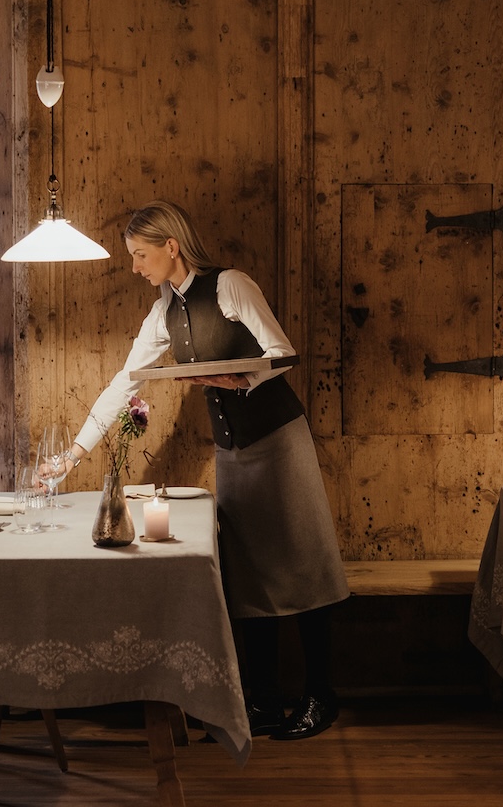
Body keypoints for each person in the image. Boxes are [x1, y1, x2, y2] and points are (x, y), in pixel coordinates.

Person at [60, 200, 349, 740]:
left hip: (279, 441)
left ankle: (320, 697)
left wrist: (238, 382)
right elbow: (128, 380)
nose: (134, 267)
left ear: (171, 247)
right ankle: (262, 702)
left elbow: (281, 353)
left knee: (306, 567)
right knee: (249, 578)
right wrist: (75, 453)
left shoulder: (231, 284)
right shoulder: (163, 310)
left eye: (140, 255)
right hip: (232, 450)